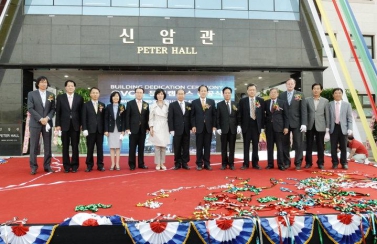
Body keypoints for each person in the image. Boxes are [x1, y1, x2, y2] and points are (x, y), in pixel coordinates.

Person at [27, 76, 56, 175]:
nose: (44, 84)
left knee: (48, 145)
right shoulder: (31, 94)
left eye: (45, 82)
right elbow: (30, 108)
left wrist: (47, 118)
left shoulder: (51, 95)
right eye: (42, 82)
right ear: (38, 84)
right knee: (34, 145)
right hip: (35, 123)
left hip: (47, 123)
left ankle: (47, 166)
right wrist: (40, 119)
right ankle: (33, 167)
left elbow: (53, 109)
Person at [278, 78, 307, 170]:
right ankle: (287, 162)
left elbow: (303, 110)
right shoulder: (281, 95)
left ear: (294, 85)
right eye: (288, 84)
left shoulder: (300, 94)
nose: (290, 85)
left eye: (292, 84)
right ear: (286, 85)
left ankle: (298, 162)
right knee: (285, 143)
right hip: (285, 124)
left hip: (297, 122)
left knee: (298, 143)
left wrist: (304, 123)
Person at [55, 80, 84, 173]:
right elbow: (58, 112)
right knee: (65, 146)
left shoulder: (79, 98)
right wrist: (57, 125)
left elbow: (82, 113)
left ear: (74, 87)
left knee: (75, 146)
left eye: (72, 86)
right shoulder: (60, 98)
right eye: (69, 86)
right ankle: (66, 166)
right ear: (65, 87)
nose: (70, 87)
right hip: (64, 125)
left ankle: (75, 165)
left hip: (76, 125)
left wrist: (82, 124)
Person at [238, 83, 265, 170]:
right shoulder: (243, 101)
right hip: (246, 126)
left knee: (255, 145)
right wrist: (239, 125)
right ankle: (245, 164)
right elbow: (239, 114)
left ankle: (255, 163)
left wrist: (262, 126)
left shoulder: (260, 100)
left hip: (256, 126)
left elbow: (262, 115)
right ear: (247, 91)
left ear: (256, 91)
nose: (252, 91)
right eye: (250, 90)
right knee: (246, 145)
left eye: (253, 90)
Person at [191, 85, 216, 171]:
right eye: (201, 91)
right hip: (199, 127)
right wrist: (193, 125)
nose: (203, 92)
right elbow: (192, 116)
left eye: (205, 91)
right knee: (199, 146)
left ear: (207, 92)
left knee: (207, 146)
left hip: (208, 127)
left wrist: (214, 126)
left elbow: (214, 115)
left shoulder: (211, 102)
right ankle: (199, 164)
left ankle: (207, 164)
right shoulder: (194, 102)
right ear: (199, 92)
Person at [304, 83, 329, 170]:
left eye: (318, 89)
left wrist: (327, 127)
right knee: (309, 145)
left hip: (321, 125)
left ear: (321, 90)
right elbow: (305, 113)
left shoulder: (325, 101)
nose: (316, 90)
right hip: (309, 125)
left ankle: (321, 163)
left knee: (320, 145)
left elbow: (327, 115)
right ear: (312, 90)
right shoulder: (307, 100)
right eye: (314, 88)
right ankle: (308, 162)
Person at [216, 87, 241, 170]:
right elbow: (218, 117)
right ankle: (223, 164)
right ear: (223, 94)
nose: (227, 94)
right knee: (223, 148)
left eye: (229, 93)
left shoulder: (236, 104)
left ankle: (231, 164)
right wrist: (218, 128)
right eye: (225, 93)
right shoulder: (219, 104)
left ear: (231, 94)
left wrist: (239, 125)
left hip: (233, 129)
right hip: (223, 129)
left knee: (232, 148)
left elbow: (238, 116)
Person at [82, 87, 106, 172]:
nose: (95, 94)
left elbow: (104, 118)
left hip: (100, 130)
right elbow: (84, 118)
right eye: (93, 93)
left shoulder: (102, 105)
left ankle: (100, 165)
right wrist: (84, 129)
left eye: (97, 93)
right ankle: (89, 165)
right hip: (90, 130)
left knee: (100, 148)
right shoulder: (86, 105)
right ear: (90, 94)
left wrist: (105, 129)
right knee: (90, 148)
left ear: (99, 94)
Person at [264, 88, 289, 170]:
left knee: (280, 147)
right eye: (271, 92)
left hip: (279, 128)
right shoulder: (266, 103)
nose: (273, 94)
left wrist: (286, 127)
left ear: (278, 94)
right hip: (269, 128)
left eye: (275, 92)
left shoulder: (282, 103)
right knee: (269, 147)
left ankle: (280, 164)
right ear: (269, 94)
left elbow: (286, 116)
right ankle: (270, 164)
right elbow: (265, 115)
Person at [125, 87, 149, 170]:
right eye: (138, 92)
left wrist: (147, 128)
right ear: (135, 93)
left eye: (141, 92)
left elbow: (147, 117)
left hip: (142, 130)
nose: (139, 94)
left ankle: (141, 164)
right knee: (132, 148)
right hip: (133, 129)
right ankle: (132, 164)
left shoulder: (146, 104)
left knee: (141, 148)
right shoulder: (130, 103)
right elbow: (127, 117)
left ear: (143, 94)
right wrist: (127, 128)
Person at [329, 88, 353, 169]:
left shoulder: (347, 105)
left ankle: (344, 163)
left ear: (342, 94)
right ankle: (335, 163)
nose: (338, 94)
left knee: (343, 147)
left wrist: (350, 128)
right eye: (336, 93)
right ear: (333, 95)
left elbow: (349, 118)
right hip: (333, 127)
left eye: (339, 93)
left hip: (343, 128)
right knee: (333, 147)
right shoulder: (329, 104)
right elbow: (327, 117)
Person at [168, 89, 191, 170]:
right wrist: (171, 129)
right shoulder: (172, 105)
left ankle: (185, 163)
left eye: (182, 94)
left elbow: (190, 117)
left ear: (184, 95)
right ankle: (177, 163)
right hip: (176, 129)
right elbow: (170, 118)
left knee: (186, 146)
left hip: (186, 129)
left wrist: (191, 127)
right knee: (177, 147)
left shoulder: (188, 104)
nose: (181, 95)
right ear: (176, 95)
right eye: (179, 94)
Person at [149, 89, 170, 170]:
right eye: (158, 94)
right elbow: (151, 118)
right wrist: (151, 127)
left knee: (163, 146)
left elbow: (170, 117)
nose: (160, 96)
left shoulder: (167, 105)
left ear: (164, 95)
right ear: (156, 95)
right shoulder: (153, 105)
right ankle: (158, 164)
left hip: (165, 126)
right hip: (156, 125)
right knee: (157, 146)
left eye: (162, 94)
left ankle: (162, 163)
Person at [104, 91, 125, 171]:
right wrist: (106, 130)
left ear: (119, 98)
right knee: (112, 147)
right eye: (114, 96)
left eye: (117, 96)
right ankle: (112, 164)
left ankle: (117, 163)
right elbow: (105, 119)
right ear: (111, 98)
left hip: (119, 130)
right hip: (110, 129)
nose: (116, 98)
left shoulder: (122, 106)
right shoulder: (108, 107)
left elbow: (123, 120)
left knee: (118, 147)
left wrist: (123, 130)